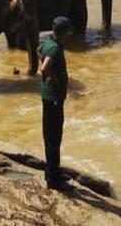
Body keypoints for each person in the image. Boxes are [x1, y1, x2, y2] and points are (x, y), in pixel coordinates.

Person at [38, 15, 73, 191]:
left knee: (50, 136)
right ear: (64, 33)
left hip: (48, 98)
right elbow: (44, 68)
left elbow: (38, 51)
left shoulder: (47, 42)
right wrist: (54, 80)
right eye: (68, 32)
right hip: (53, 100)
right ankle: (53, 180)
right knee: (54, 138)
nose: (70, 35)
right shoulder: (56, 49)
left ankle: (52, 171)